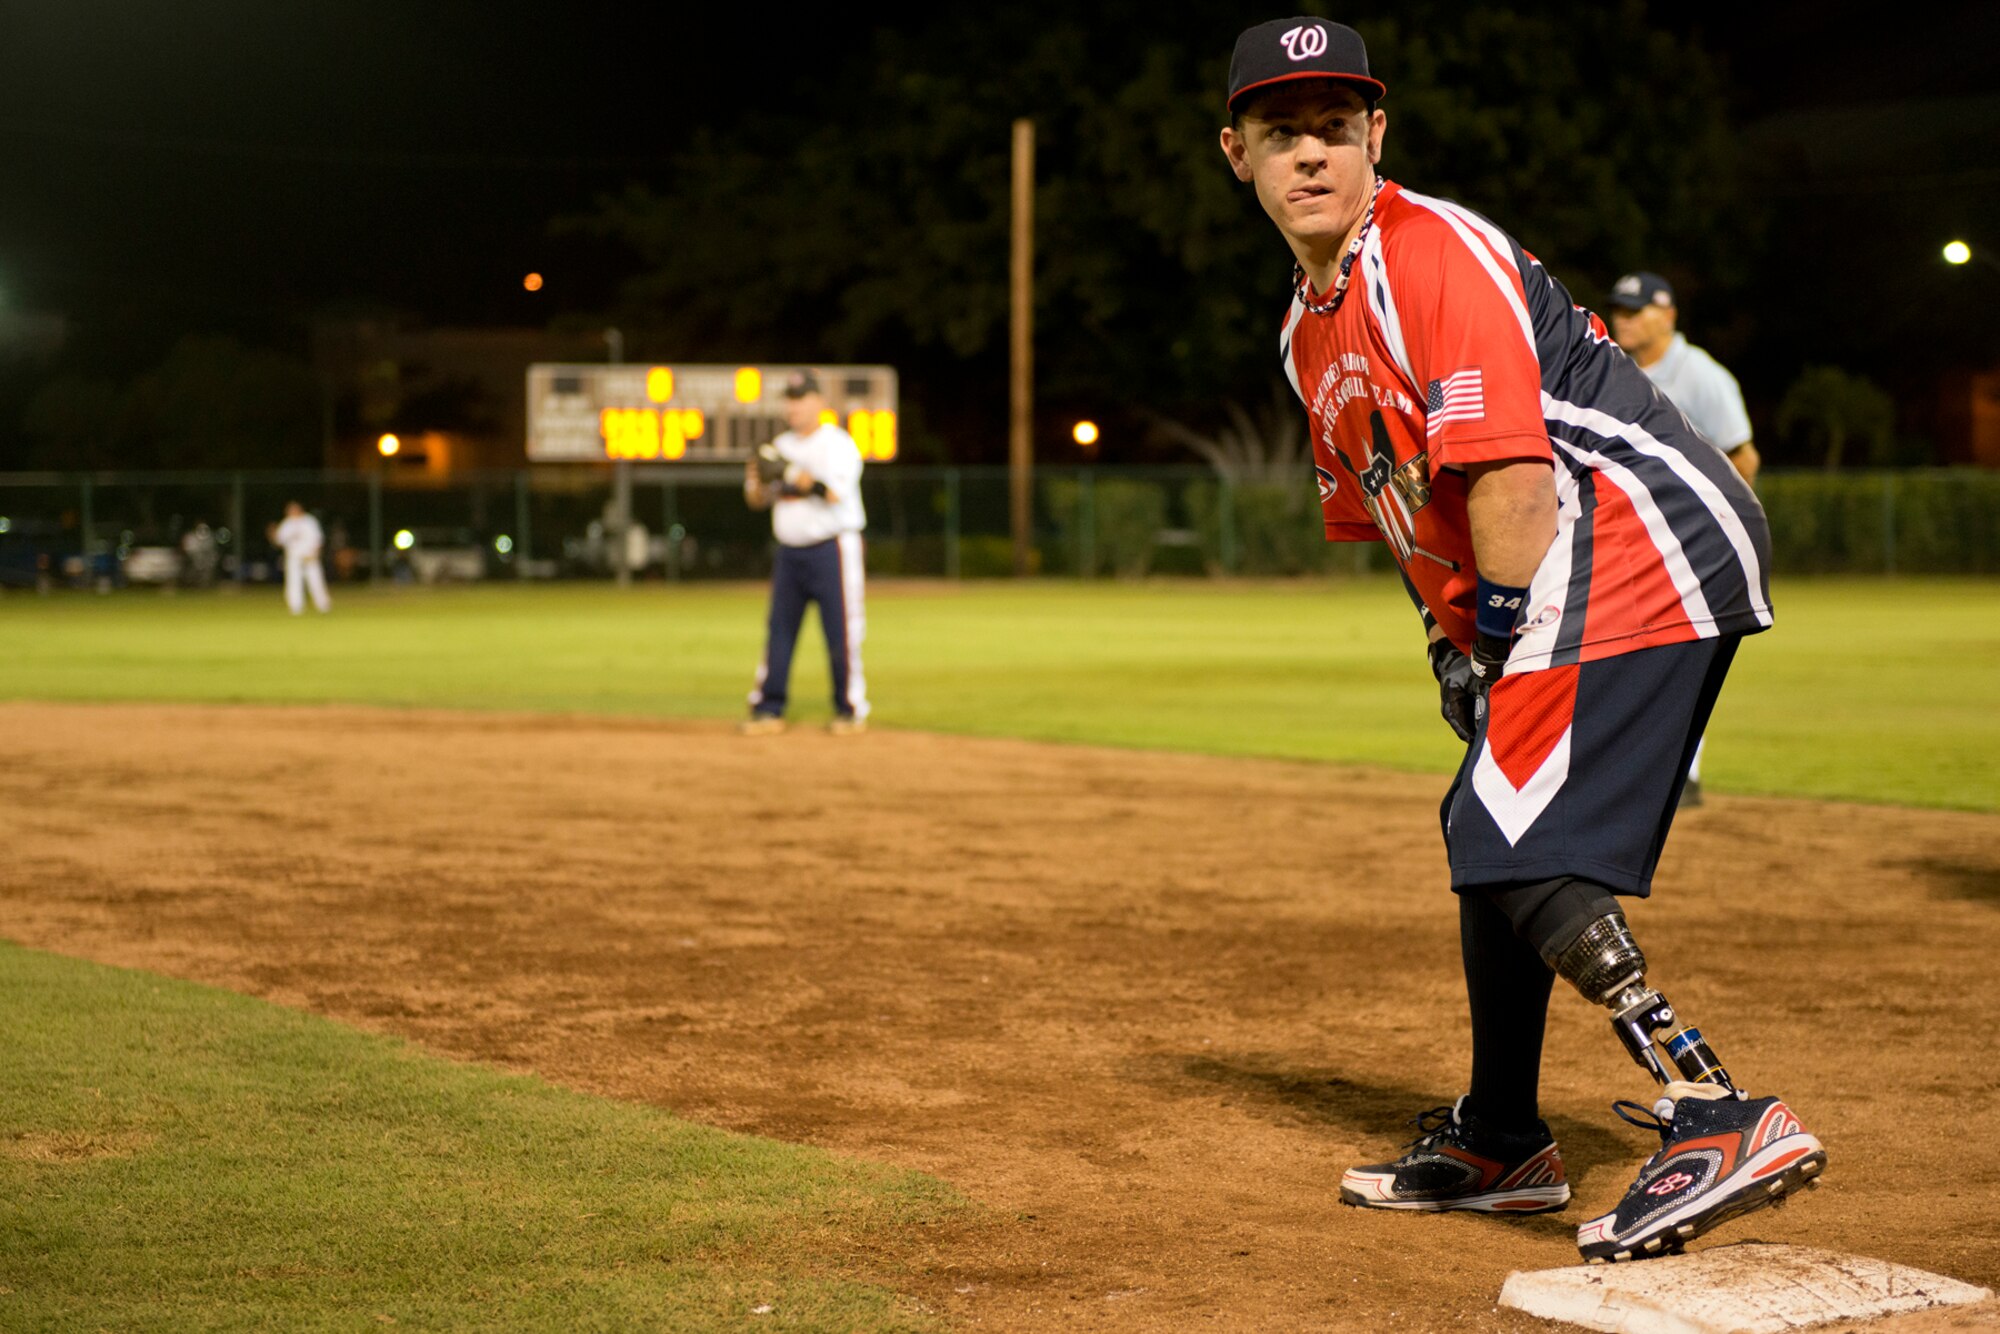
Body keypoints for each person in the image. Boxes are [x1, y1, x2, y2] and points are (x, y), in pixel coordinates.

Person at [1218, 18, 1823, 1262]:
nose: (1312, 154)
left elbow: (1506, 480)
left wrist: (1494, 635)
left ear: (1375, 136)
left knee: (1499, 825)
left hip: (1630, 533)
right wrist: (1451, 648)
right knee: (1483, 819)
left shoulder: (1424, 255)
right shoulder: (1305, 331)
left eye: (1335, 126)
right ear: (1238, 154)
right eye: (1283, 133)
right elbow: (1403, 514)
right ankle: (1502, 1137)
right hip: (1563, 556)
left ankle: (1715, 1106)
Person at [1609, 271, 1759, 807]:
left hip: (1691, 541)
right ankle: (1640, 771)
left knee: (1680, 654)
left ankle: (1684, 774)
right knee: (1626, 655)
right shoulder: (1613, 367)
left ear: (1668, 314)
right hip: (1626, 539)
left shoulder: (1701, 376)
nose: (1623, 318)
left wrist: (1720, 528)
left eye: (1636, 309)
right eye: (1620, 309)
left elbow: (1743, 456)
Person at [739, 370, 869, 735]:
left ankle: (850, 709)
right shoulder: (779, 445)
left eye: (800, 398)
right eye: (789, 399)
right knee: (778, 631)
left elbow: (833, 494)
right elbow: (756, 500)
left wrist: (791, 471)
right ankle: (768, 709)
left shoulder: (838, 444)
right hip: (790, 553)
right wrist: (757, 478)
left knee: (842, 632)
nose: (792, 406)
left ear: (819, 403)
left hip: (833, 550)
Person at [267, 501, 330, 615]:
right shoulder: (287, 523)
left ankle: (323, 605)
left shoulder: (309, 521)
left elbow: (318, 539)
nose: (291, 512)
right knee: (293, 582)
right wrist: (273, 534)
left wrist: (315, 553)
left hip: (310, 557)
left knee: (315, 581)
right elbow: (279, 541)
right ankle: (296, 607)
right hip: (294, 558)